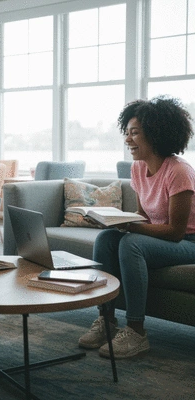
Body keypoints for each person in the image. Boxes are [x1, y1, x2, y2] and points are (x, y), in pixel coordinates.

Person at [78, 95, 195, 359]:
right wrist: (113, 221)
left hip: (188, 243)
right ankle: (106, 319)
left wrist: (132, 228)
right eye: (127, 133)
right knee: (106, 239)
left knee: (131, 243)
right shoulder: (138, 169)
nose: (127, 139)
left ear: (155, 135)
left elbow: (176, 231)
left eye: (134, 133)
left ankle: (136, 330)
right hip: (162, 239)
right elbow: (144, 216)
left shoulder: (179, 171)